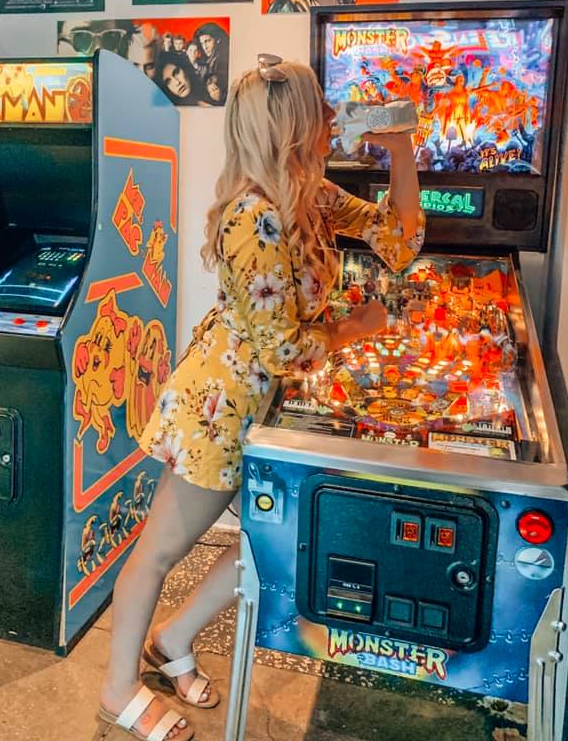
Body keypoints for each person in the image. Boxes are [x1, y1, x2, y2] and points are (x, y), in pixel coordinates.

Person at [98, 56, 425, 739]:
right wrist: (354, 327)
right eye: (321, 106)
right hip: (220, 409)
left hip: (268, 409)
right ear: (293, 123)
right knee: (161, 549)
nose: (334, 116)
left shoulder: (307, 192)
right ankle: (117, 688)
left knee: (268, 543)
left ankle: (173, 639)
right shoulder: (254, 218)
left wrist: (402, 150)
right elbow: (282, 348)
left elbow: (399, 242)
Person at [195, 21, 229, 90]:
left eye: (207, 41)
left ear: (218, 40)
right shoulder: (207, 61)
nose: (205, 47)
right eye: (202, 43)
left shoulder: (224, 61)